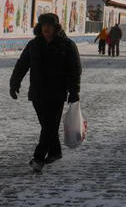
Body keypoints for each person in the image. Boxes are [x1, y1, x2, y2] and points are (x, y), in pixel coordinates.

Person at [9, 13, 81, 173]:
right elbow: (22, 65)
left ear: (56, 27)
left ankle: (38, 158)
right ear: (40, 27)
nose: (46, 28)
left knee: (49, 126)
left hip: (57, 93)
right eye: (44, 25)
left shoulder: (67, 45)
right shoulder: (33, 45)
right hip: (37, 93)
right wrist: (14, 83)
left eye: (50, 25)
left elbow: (75, 70)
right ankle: (55, 152)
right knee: (47, 126)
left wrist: (74, 91)